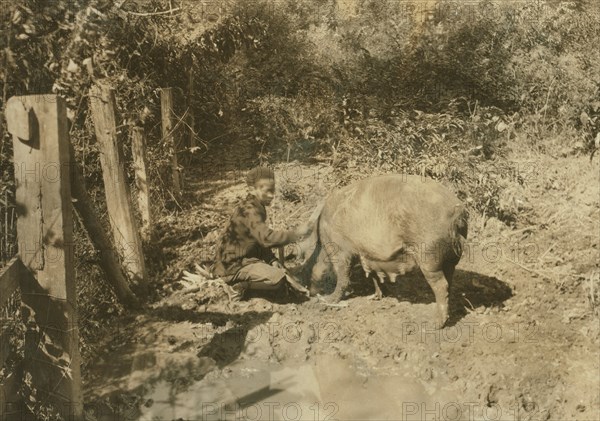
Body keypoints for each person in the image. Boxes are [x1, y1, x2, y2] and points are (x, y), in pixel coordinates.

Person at [212, 166, 312, 301]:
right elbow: (266, 238)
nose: (272, 195)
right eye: (267, 191)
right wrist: (295, 234)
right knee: (278, 279)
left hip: (240, 259)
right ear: (252, 189)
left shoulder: (254, 205)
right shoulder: (250, 210)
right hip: (233, 266)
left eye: (273, 190)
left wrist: (271, 259)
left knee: (278, 274)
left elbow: (257, 240)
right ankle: (238, 286)